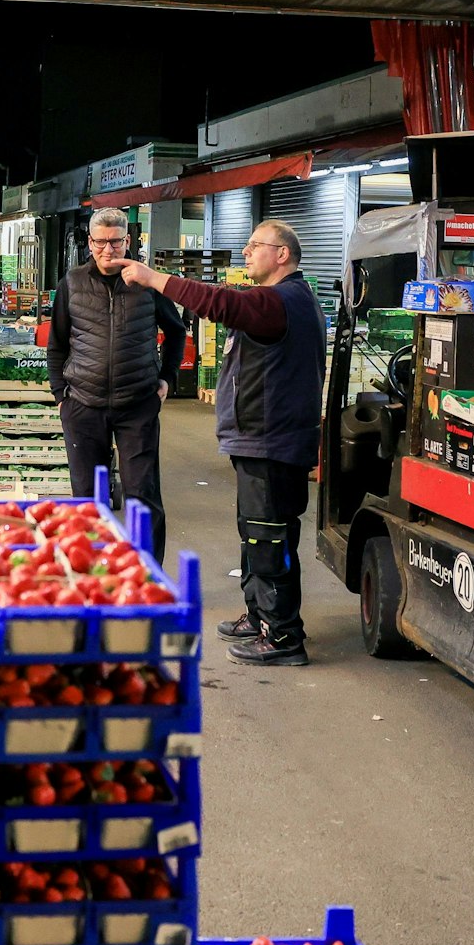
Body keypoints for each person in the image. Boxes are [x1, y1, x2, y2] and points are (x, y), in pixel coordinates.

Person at [111, 220, 326, 667]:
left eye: (255, 245)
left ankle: (283, 636)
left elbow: (219, 302)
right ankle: (261, 616)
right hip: (261, 439)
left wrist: (154, 278)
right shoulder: (281, 299)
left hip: (272, 440)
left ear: (282, 254)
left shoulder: (280, 301)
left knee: (268, 537)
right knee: (256, 533)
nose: (246, 252)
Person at [48, 207, 184, 561]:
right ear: (89, 243)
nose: (108, 249)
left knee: (142, 494)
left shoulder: (148, 283)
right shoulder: (72, 282)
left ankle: (147, 572)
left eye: (116, 241)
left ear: (128, 241)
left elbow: (177, 331)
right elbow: (57, 343)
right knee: (87, 498)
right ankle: (91, 570)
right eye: (101, 242)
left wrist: (167, 377)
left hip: (137, 404)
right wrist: (61, 395)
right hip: (83, 404)